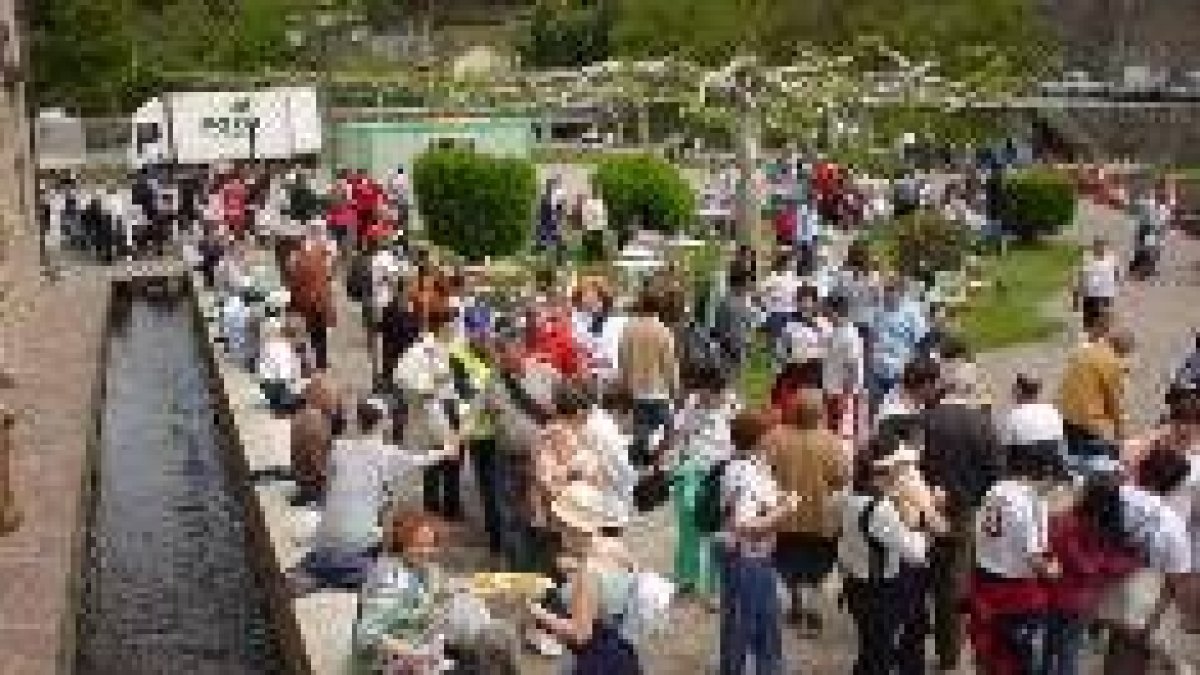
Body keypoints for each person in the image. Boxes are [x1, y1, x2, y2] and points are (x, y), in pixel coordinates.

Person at [293, 399, 453, 593]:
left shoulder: (338, 448)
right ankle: (337, 577)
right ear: (383, 423)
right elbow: (420, 460)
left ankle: (321, 574)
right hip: (358, 546)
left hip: (323, 542)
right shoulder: (386, 454)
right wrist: (447, 450)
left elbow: (328, 481)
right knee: (388, 556)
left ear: (359, 421)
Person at [921, 362, 1004, 672]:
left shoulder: (926, 420)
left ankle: (913, 645)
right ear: (969, 389)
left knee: (919, 577)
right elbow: (997, 475)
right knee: (953, 587)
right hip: (964, 513)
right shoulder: (983, 424)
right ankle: (949, 656)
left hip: (924, 509)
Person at [839, 439, 938, 675]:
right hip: (878, 591)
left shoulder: (846, 495)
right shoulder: (880, 509)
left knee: (870, 650)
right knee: (879, 655)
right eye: (897, 468)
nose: (901, 473)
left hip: (855, 583)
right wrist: (924, 519)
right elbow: (916, 553)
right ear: (883, 472)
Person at [967, 443, 1063, 675]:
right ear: (1046, 473)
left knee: (985, 651)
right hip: (1015, 593)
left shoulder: (997, 489)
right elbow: (1034, 557)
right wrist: (1053, 570)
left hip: (983, 580)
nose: (1054, 488)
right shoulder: (1028, 502)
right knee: (1017, 660)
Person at [528, 481, 641, 674]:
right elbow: (630, 575)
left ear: (573, 528)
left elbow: (580, 634)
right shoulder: (614, 547)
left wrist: (536, 611)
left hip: (597, 658)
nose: (558, 530)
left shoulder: (588, 573)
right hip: (620, 644)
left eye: (561, 524)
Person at [760, 388, 849, 632]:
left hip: (785, 516)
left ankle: (796, 603)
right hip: (819, 518)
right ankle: (811, 609)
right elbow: (841, 478)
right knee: (817, 564)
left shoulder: (775, 437)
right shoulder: (831, 442)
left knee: (787, 561)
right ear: (821, 412)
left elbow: (763, 472)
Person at [717, 411, 793, 675]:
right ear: (759, 438)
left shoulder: (740, 464)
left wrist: (778, 498)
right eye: (769, 432)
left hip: (746, 556)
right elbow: (744, 524)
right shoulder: (747, 471)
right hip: (747, 558)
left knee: (754, 624)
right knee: (749, 626)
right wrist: (784, 510)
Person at [666, 363, 738, 599]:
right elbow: (676, 437)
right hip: (690, 474)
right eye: (702, 392)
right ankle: (687, 579)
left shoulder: (733, 407)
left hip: (720, 475)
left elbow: (741, 443)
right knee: (688, 530)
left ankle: (715, 588)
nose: (706, 398)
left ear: (720, 390)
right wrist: (672, 465)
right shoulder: (691, 404)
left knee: (718, 532)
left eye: (711, 394)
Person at [355, 509, 451, 673]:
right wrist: (414, 654)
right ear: (401, 545)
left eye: (430, 545)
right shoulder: (392, 579)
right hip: (390, 664)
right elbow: (366, 635)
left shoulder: (420, 569)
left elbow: (436, 596)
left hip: (417, 652)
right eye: (418, 545)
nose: (426, 551)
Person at [618, 292, 680, 468]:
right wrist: (675, 389)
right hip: (659, 390)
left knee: (641, 434)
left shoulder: (628, 330)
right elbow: (670, 364)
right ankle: (658, 469)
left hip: (636, 390)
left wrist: (625, 385)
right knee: (665, 434)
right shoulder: (663, 331)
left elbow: (622, 360)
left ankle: (640, 468)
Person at [1058, 328, 1133, 469]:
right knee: (1097, 461)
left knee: (1071, 453)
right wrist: (1121, 434)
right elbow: (1115, 401)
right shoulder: (1112, 363)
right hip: (1088, 421)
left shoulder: (1083, 350)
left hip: (1064, 412)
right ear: (1122, 350)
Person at [287, 222, 337, 370]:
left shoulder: (297, 253)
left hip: (304, 298)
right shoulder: (324, 251)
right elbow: (329, 274)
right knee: (317, 332)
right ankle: (319, 362)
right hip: (317, 298)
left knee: (306, 331)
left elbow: (292, 274)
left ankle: (309, 362)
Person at [1073, 238, 1120, 329]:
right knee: (1090, 324)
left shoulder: (1111, 260)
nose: (1100, 250)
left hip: (1105, 294)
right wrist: (1076, 296)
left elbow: (1116, 275)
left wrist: (1116, 288)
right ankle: (1094, 335)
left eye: (1102, 248)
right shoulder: (1088, 261)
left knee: (1104, 320)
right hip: (1091, 295)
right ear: (1094, 249)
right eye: (1098, 248)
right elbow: (1081, 278)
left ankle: (1102, 334)